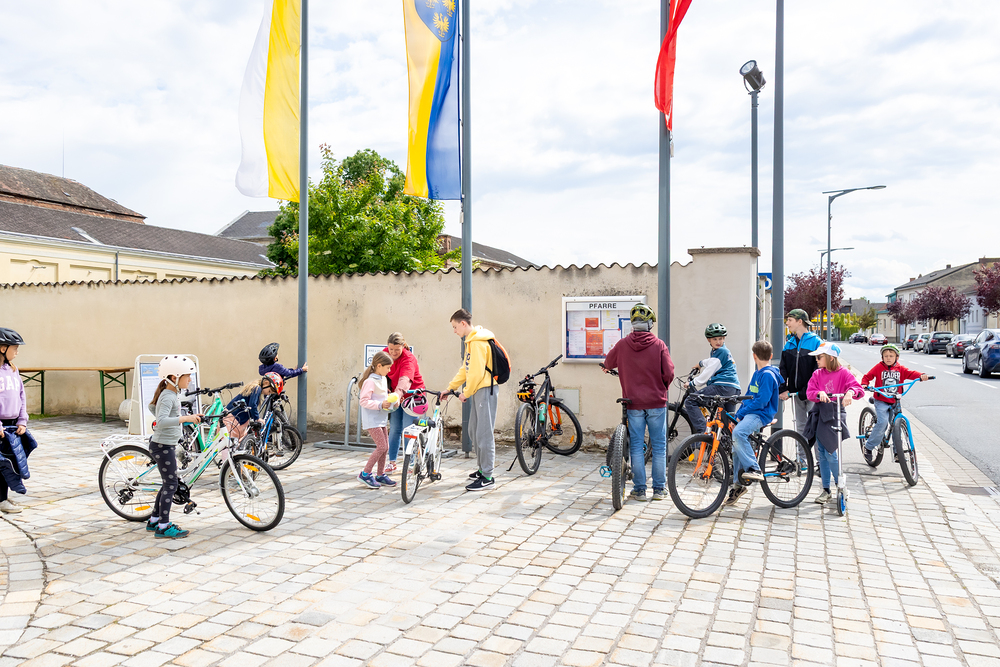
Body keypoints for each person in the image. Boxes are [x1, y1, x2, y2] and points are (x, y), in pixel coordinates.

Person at [602, 304, 675, 502]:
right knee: (659, 446)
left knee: (636, 445)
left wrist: (608, 367)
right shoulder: (659, 345)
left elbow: (608, 363)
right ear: (650, 324)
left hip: (633, 403)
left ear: (633, 324)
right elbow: (669, 373)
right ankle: (659, 490)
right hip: (656, 402)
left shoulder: (622, 344)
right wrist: (662, 388)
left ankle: (640, 490)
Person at [441, 309, 500, 492]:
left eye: (455, 327)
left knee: (484, 434)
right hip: (479, 390)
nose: (454, 331)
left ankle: (488, 477)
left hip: (485, 390)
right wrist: (450, 387)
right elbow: (465, 369)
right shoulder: (471, 341)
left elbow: (475, 374)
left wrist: (465, 393)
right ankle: (482, 469)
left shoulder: (477, 342)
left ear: (463, 323)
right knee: (474, 430)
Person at [147, 355, 203, 538]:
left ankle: (154, 520)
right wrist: (185, 418)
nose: (190, 380)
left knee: (168, 483)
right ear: (174, 377)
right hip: (162, 446)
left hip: (166, 444)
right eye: (187, 376)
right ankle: (163, 526)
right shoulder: (168, 396)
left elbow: (152, 408)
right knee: (171, 484)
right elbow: (161, 420)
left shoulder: (170, 394)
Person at [805, 343, 864, 504]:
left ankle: (840, 486)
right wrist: (819, 392)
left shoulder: (844, 373)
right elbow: (810, 392)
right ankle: (826, 489)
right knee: (822, 453)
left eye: (819, 357)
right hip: (820, 414)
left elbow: (858, 389)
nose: (817, 360)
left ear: (830, 358)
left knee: (830, 452)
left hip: (836, 413)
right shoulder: (817, 373)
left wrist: (850, 392)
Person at [724, 341, 780, 506]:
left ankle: (754, 468)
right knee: (736, 446)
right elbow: (748, 397)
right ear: (770, 356)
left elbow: (761, 402)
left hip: (761, 414)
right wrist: (738, 415)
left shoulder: (767, 375)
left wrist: (741, 415)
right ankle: (738, 486)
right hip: (751, 413)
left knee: (738, 433)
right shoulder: (757, 374)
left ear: (754, 356)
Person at [861, 344, 927, 463]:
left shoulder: (900, 368)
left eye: (891, 356)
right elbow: (867, 376)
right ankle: (868, 447)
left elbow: (911, 373)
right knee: (882, 423)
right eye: (886, 356)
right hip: (881, 400)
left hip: (895, 401)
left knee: (897, 425)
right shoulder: (879, 367)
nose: (888, 358)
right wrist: (865, 384)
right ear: (882, 357)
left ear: (897, 357)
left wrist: (921, 376)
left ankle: (898, 452)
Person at [0, 328, 37, 515]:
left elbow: (22, 396)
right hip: (0, 426)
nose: (17, 352)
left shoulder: (13, 370)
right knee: (2, 465)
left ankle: (3, 498)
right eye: (15, 348)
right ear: (2, 348)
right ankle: (1, 500)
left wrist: (22, 421)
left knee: (9, 464)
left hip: (13, 425)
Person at [683, 323, 741, 436]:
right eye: (715, 339)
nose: (718, 341)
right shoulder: (721, 351)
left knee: (690, 401)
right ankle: (729, 443)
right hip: (733, 388)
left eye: (721, 338)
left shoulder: (721, 352)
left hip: (722, 386)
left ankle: (703, 433)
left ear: (724, 338)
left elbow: (708, 372)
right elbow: (711, 362)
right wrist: (700, 363)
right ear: (708, 340)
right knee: (727, 423)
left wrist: (692, 383)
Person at [383, 332, 425, 475]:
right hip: (395, 396)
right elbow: (379, 372)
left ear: (403, 346)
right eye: (391, 349)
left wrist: (397, 394)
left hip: (412, 396)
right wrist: (386, 390)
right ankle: (392, 462)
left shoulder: (408, 358)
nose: (393, 353)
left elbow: (405, 379)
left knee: (408, 429)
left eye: (397, 349)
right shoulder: (385, 353)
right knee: (395, 427)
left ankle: (411, 462)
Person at [778, 309, 823, 433]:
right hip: (796, 394)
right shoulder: (789, 344)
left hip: (813, 392)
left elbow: (819, 370)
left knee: (815, 427)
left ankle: (816, 448)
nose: (787, 323)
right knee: (800, 427)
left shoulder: (816, 342)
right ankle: (801, 447)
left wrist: (807, 389)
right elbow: (783, 369)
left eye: (790, 320)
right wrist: (783, 389)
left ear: (799, 321)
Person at [357, 351, 397, 489]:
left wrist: (393, 401)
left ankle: (380, 475)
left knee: (385, 448)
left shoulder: (383, 379)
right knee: (382, 447)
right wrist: (380, 405)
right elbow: (363, 401)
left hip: (381, 418)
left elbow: (383, 397)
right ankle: (365, 473)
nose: (389, 370)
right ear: (379, 366)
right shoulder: (370, 381)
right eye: (388, 367)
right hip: (372, 419)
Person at [224, 373, 282, 442]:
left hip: (234, 418)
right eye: (269, 391)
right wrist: (257, 418)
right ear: (266, 383)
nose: (268, 394)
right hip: (234, 419)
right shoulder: (257, 388)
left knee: (234, 443)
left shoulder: (255, 388)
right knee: (230, 443)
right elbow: (252, 405)